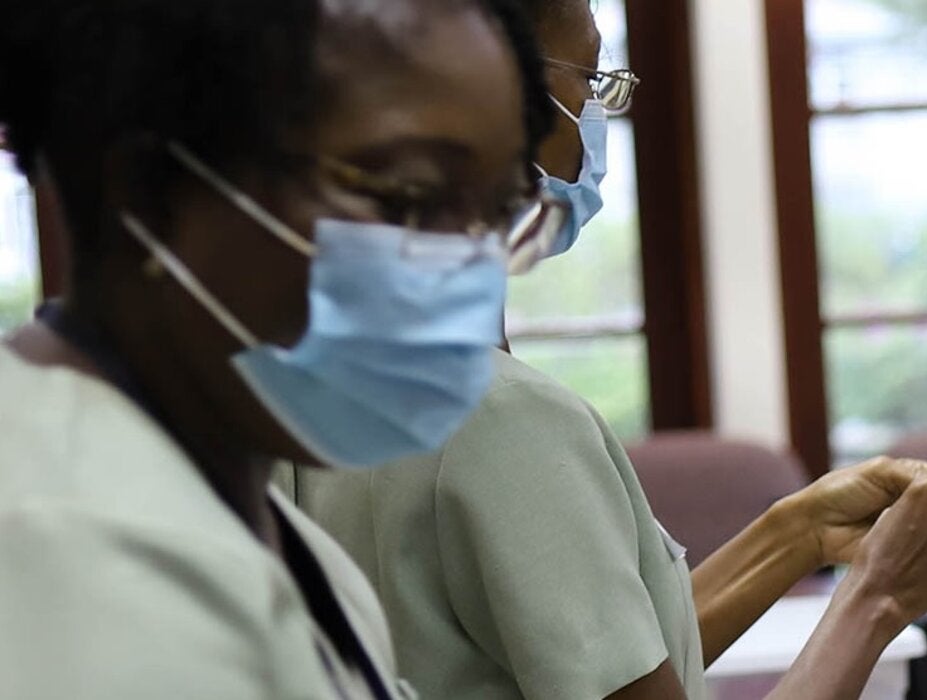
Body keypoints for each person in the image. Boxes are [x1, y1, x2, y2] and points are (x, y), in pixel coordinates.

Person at [285, 0, 927, 698]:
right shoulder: (506, 423)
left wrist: (799, 531)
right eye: (589, 78)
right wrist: (876, 599)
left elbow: (610, 659)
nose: (596, 119)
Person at [0, 0, 553, 696]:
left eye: (498, 212)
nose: (467, 264)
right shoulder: (77, 561)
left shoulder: (271, 532)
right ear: (150, 192)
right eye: (409, 196)